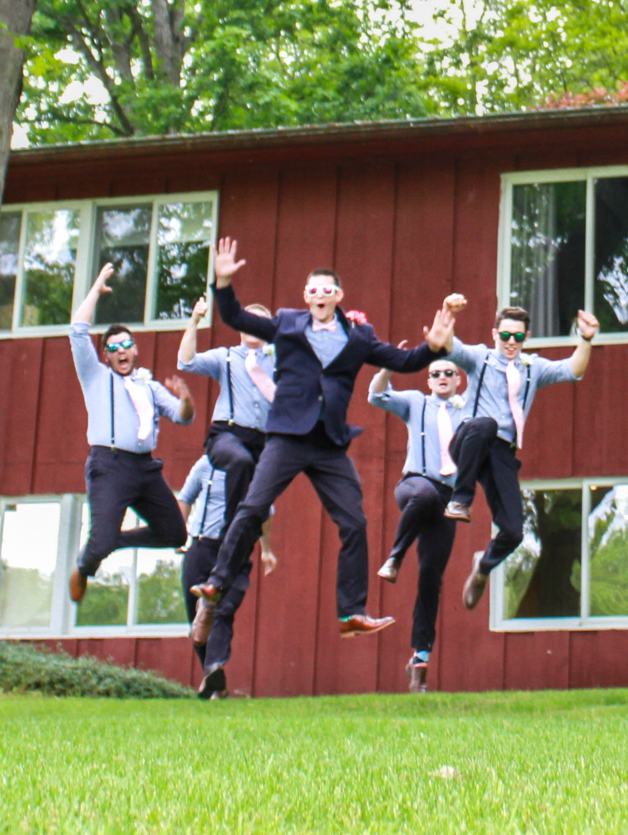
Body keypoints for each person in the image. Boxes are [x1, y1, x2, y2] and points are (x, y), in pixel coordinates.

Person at [189, 237, 455, 646]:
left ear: (339, 297)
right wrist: (222, 284)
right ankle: (215, 585)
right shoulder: (286, 324)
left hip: (328, 443)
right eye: (312, 290)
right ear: (305, 296)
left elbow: (404, 362)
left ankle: (351, 612)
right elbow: (237, 317)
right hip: (288, 436)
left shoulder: (359, 337)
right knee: (253, 507)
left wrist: (433, 346)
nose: (319, 296)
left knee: (354, 522)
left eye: (326, 290)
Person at [434, 297, 598, 611]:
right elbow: (450, 345)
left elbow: (572, 369)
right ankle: (461, 498)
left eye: (518, 337)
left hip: (501, 453)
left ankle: (483, 569)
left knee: (513, 530)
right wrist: (449, 314)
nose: (511, 342)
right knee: (484, 425)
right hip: (470, 439)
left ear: (526, 338)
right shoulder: (479, 358)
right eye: (506, 335)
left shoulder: (532, 368)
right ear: (494, 334)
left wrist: (586, 339)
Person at [66, 263, 193, 603]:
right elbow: (78, 331)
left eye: (126, 345)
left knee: (174, 532)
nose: (121, 351)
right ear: (106, 356)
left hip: (144, 468)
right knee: (101, 541)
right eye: (113, 348)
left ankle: (115, 540)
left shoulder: (148, 386)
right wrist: (95, 290)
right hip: (109, 466)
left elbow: (183, 417)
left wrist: (186, 398)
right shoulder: (96, 378)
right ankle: (83, 567)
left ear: (135, 349)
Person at [367, 357, 467, 692]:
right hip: (413, 485)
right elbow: (376, 397)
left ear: (458, 379)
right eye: (435, 373)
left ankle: (419, 660)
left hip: (448, 499)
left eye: (448, 373)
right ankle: (395, 557)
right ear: (428, 380)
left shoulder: (467, 410)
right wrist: (387, 368)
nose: (441, 377)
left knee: (430, 578)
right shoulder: (415, 402)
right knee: (423, 494)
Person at [176, 454, 276, 701]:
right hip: (200, 548)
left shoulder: (256, 470)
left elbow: (266, 512)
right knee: (197, 618)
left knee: (222, 610)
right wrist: (181, 533)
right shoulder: (205, 464)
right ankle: (215, 680)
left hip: (236, 553)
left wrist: (267, 550)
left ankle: (214, 668)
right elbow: (186, 498)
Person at [178, 292, 276, 540]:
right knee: (239, 461)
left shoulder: (279, 362)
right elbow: (186, 362)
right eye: (249, 320)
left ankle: (239, 548)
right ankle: (231, 529)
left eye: (261, 322)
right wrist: (194, 322)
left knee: (260, 495)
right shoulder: (226, 357)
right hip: (228, 435)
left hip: (262, 441)